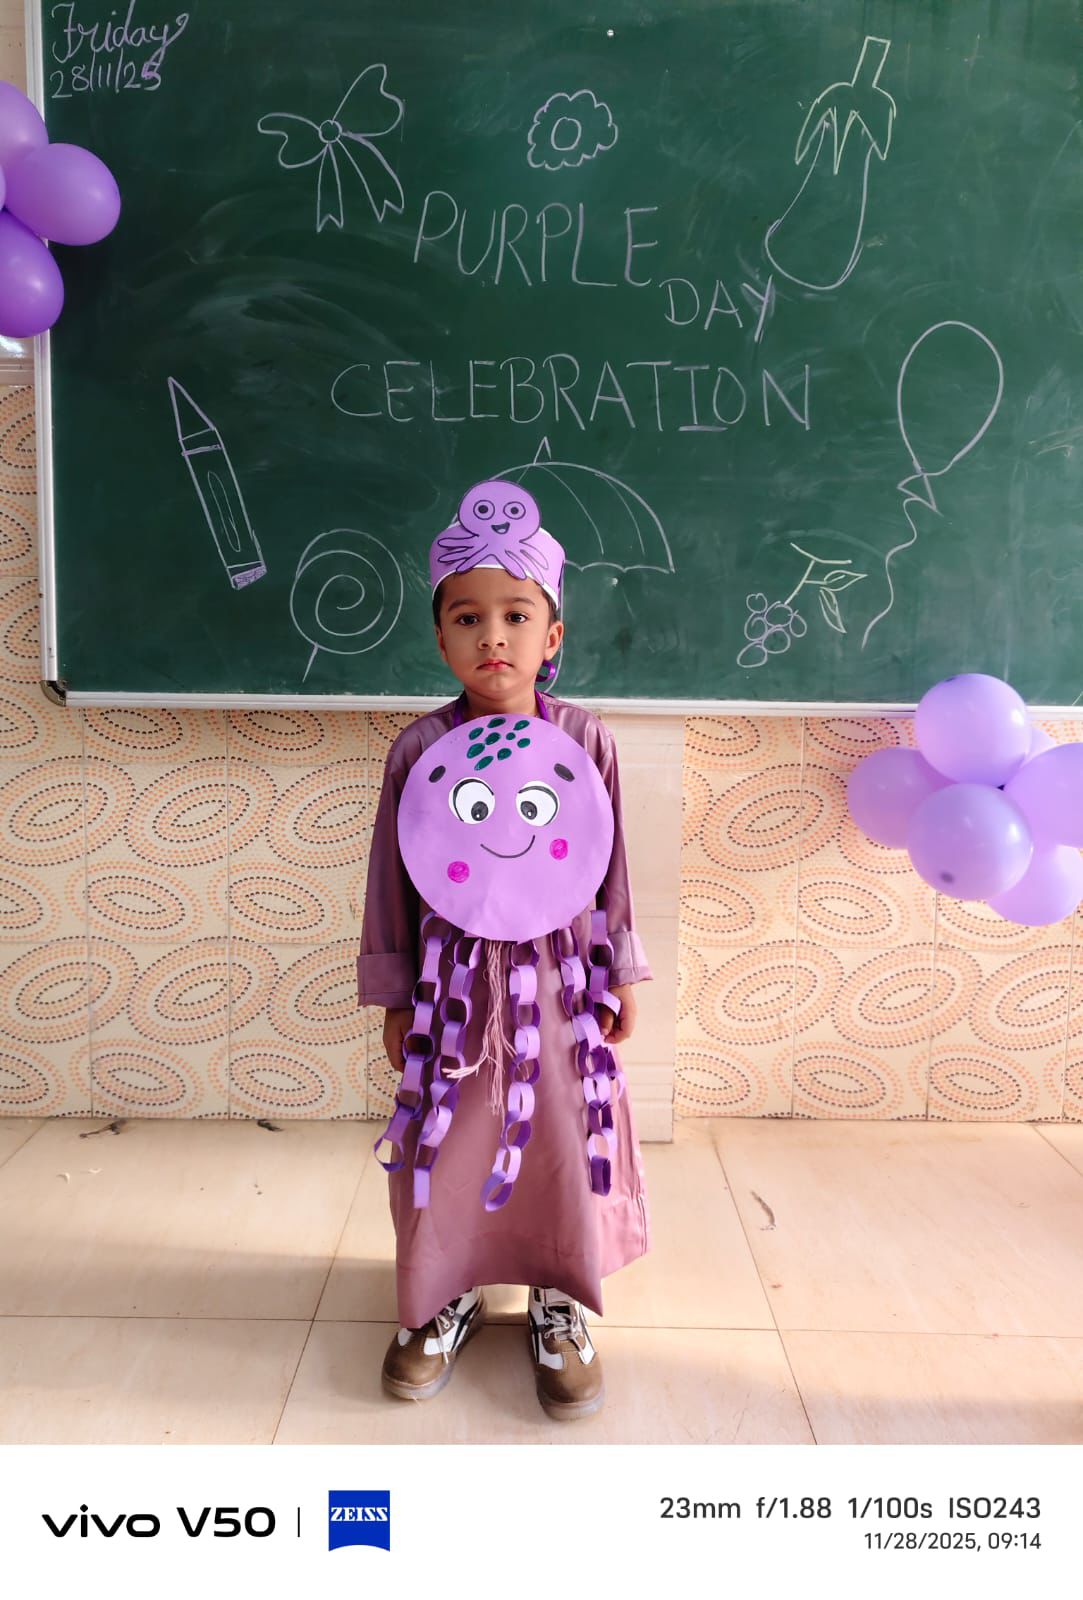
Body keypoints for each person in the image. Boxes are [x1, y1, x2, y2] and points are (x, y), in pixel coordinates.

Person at [357, 477, 651, 1421]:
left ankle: (560, 1301)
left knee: (561, 1131)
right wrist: (395, 994)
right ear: (440, 638)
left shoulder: (585, 741)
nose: (494, 636)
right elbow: (390, 883)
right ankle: (440, 1298)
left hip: (560, 985)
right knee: (447, 1138)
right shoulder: (417, 752)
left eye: (516, 615)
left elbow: (611, 868)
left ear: (551, 635)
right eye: (468, 617)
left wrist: (620, 971)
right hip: (451, 991)